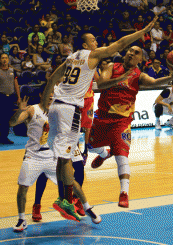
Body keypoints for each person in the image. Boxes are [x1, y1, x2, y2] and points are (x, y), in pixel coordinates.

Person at [41, 17, 159, 222]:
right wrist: (143, 31)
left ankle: (64, 198)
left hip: (55, 107)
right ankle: (66, 199)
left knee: (62, 157)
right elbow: (120, 44)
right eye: (93, 40)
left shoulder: (70, 58)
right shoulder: (92, 55)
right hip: (69, 109)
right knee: (67, 158)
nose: (97, 43)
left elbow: (52, 79)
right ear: (86, 45)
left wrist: (44, 104)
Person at [87, 47, 173, 209]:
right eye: (130, 51)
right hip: (102, 116)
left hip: (122, 121)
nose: (132, 53)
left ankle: (124, 193)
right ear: (125, 54)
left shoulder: (139, 75)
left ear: (140, 60)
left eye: (136, 53)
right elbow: (102, 84)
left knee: (122, 156)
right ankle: (104, 154)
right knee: (91, 147)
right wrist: (120, 79)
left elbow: (154, 82)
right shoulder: (111, 67)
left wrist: (172, 77)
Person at [9, 85, 86, 231]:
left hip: (56, 152)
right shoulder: (33, 109)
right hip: (35, 154)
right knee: (25, 186)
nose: (51, 96)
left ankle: (84, 205)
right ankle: (25, 215)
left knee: (73, 178)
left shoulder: (60, 110)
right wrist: (20, 110)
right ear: (41, 95)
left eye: (53, 93)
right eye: (48, 93)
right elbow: (12, 123)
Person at [0, 53, 21, 144]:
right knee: (1, 118)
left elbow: (16, 84)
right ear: (0, 60)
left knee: (7, 118)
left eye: (6, 58)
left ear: (8, 59)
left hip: (10, 97)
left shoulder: (13, 71)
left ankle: (4, 137)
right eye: (2, 58)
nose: (4, 59)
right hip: (1, 97)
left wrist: (19, 97)